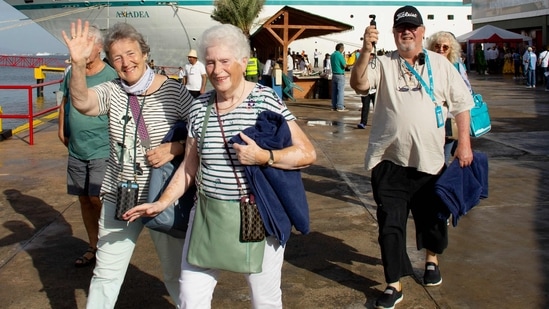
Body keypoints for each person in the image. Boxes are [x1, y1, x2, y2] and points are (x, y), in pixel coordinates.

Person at [124, 23, 317, 308]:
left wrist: (266, 157)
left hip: (257, 215)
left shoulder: (265, 100)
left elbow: (307, 152)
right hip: (207, 215)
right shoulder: (199, 107)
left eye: (225, 61)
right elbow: (189, 168)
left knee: (264, 299)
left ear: (242, 62)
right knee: (190, 297)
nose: (217, 70)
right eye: (211, 62)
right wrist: (161, 202)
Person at [62, 19, 195, 308]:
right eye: (117, 57)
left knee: (175, 274)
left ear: (145, 53)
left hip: (162, 197)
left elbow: (200, 134)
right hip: (119, 194)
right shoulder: (111, 90)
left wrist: (176, 147)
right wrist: (78, 63)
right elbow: (82, 102)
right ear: (111, 61)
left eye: (131, 53)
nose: (126, 62)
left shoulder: (173, 91)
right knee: (106, 274)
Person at [350, 6, 474, 309]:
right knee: (389, 224)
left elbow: (461, 105)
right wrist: (366, 51)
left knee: (432, 220)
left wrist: (464, 144)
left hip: (430, 162)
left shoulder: (440, 64)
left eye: (412, 28)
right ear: (394, 34)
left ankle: (431, 259)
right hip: (389, 162)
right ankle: (394, 282)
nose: (407, 32)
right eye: (401, 28)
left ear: (421, 33)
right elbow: (359, 84)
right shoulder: (382, 63)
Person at [57, 25, 118, 268]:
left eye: (88, 43)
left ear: (100, 47)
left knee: (97, 197)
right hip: (77, 148)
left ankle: (109, 245)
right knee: (83, 199)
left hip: (102, 147)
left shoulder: (111, 76)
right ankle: (93, 245)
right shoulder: (72, 72)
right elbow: (65, 100)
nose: (82, 48)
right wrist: (62, 129)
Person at [427, 31, 472, 164]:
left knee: (442, 159)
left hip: (448, 119)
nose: (441, 49)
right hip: (431, 119)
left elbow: (466, 91)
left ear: (451, 49)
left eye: (445, 47)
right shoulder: (428, 65)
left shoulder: (456, 66)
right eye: (437, 46)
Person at [357, 52, 376, 129]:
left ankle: (379, 122)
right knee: (365, 107)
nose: (371, 56)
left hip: (375, 90)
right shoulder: (362, 65)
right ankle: (363, 123)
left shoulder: (376, 66)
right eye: (370, 55)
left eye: (372, 55)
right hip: (366, 90)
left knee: (377, 108)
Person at [330, 43, 347, 111]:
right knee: (340, 91)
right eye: (343, 48)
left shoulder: (332, 55)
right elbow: (344, 65)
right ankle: (340, 106)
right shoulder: (340, 55)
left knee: (334, 91)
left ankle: (334, 106)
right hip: (340, 74)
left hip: (334, 74)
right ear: (341, 48)